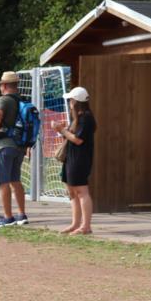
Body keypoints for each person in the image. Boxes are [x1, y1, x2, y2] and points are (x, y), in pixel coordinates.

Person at [53, 86, 96, 235]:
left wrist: (61, 130)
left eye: (71, 100)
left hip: (80, 159)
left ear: (76, 102)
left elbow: (78, 140)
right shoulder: (77, 118)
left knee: (81, 191)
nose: (70, 102)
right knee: (71, 191)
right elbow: (72, 137)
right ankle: (75, 223)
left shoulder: (86, 118)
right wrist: (64, 130)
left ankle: (86, 226)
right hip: (71, 158)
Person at [0, 71, 29, 227]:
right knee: (15, 180)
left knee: (3, 182)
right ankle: (21, 214)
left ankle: (7, 217)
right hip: (19, 146)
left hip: (3, 145)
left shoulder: (4, 99)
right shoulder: (22, 100)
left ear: (4, 85)